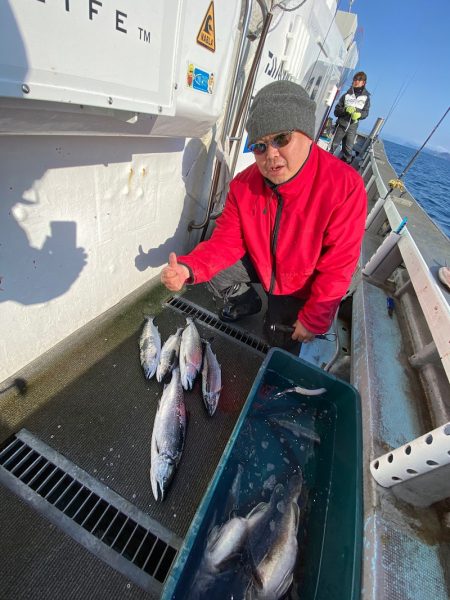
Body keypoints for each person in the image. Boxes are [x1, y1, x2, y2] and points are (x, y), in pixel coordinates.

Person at [161, 80, 367, 353]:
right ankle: (248, 302)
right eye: (259, 146)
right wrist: (188, 268)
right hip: (262, 263)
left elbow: (338, 266)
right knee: (208, 273)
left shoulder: (345, 186)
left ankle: (280, 315)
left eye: (281, 139)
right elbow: (225, 242)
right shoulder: (243, 185)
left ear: (308, 134)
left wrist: (314, 318)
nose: (271, 154)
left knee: (278, 341)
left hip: (299, 284)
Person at [331, 72, 370, 163]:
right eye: (355, 79)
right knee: (333, 146)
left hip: (352, 128)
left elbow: (366, 113)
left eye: (359, 80)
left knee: (348, 150)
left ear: (363, 83)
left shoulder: (366, 98)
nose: (356, 81)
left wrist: (359, 114)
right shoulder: (346, 95)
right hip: (341, 125)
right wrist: (345, 110)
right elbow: (336, 111)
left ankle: (344, 167)